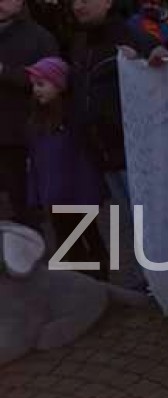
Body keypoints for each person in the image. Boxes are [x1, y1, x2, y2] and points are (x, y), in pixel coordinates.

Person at [69, 0, 156, 291]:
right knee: (130, 220)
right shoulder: (80, 41)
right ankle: (147, 277)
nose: (77, 6)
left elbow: (162, 67)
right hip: (102, 150)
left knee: (147, 219)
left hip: (131, 149)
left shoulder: (130, 34)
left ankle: (162, 280)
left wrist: (148, 56)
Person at [25, 56, 106, 279]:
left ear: (59, 85)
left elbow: (82, 163)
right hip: (53, 195)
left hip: (75, 194)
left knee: (88, 235)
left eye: (41, 84)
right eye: (34, 85)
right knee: (67, 242)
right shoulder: (37, 122)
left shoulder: (73, 121)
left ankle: (99, 281)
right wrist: (37, 193)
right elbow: (36, 163)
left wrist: (89, 193)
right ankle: (84, 281)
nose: (36, 90)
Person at [0, 0, 57, 226]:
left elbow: (52, 81)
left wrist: (5, 72)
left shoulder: (39, 37)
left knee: (29, 204)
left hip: (24, 133)